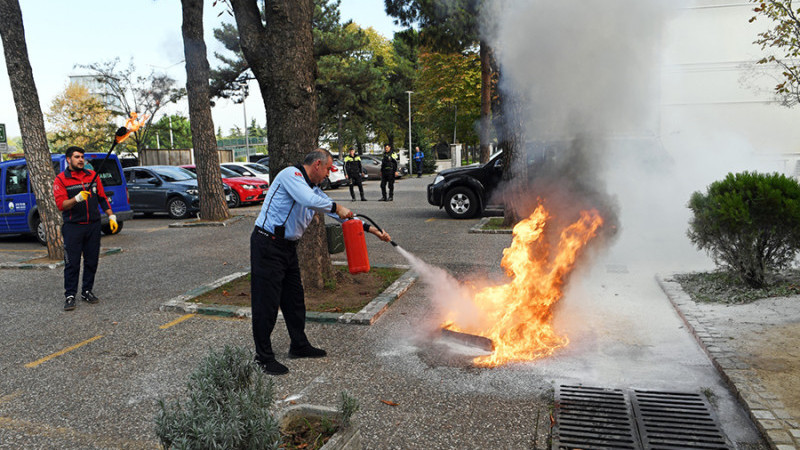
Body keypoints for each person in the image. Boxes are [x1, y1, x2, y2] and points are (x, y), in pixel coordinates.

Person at [251, 149, 392, 375]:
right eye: (327, 169)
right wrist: (337, 206)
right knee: (266, 303)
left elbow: (343, 217)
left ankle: (298, 345)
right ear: (317, 164)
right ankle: (263, 358)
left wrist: (374, 231)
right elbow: (311, 201)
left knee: (295, 300)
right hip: (267, 244)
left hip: (287, 248)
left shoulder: (315, 191)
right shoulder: (291, 175)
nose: (328, 174)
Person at [53, 146, 118, 311]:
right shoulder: (61, 180)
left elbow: (102, 198)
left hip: (93, 226)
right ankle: (70, 295)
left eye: (82, 156)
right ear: (69, 159)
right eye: (76, 157)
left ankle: (87, 291)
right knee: (72, 263)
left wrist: (111, 215)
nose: (80, 159)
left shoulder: (92, 176)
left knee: (92, 261)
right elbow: (61, 205)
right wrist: (76, 198)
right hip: (73, 227)